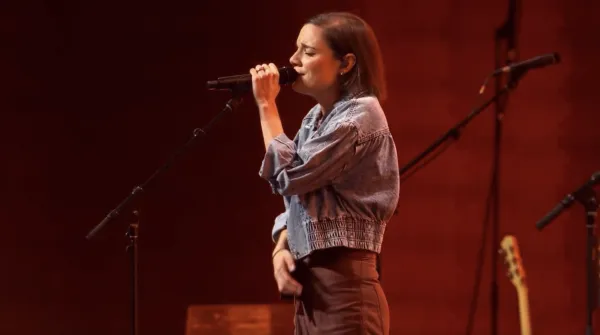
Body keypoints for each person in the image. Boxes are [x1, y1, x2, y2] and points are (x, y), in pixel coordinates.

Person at [249, 11, 400, 334]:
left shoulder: (360, 117)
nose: (293, 60)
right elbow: (301, 200)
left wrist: (266, 107)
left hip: (346, 296)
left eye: (309, 51)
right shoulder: (316, 118)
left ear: (346, 64)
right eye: (296, 49)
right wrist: (281, 248)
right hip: (313, 296)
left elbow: (289, 177)